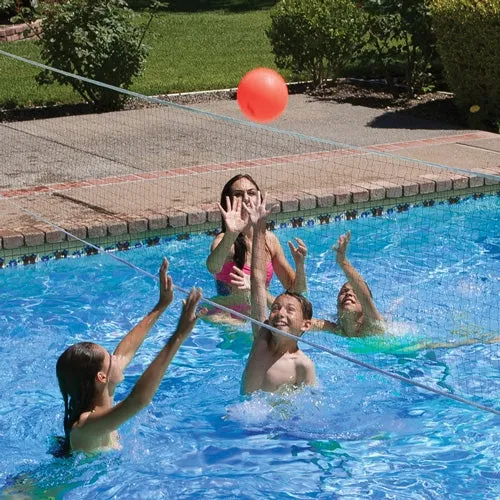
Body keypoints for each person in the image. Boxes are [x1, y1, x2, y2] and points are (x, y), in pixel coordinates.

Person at [55, 258, 202, 455]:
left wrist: (162, 305)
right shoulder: (86, 426)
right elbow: (138, 400)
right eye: (110, 357)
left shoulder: (102, 397)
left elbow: (126, 351)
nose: (116, 357)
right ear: (101, 378)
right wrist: (178, 336)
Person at [205, 174, 307, 322]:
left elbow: (295, 290)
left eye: (251, 193)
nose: (246, 198)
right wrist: (231, 235)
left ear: (259, 199)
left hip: (260, 314)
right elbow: (213, 266)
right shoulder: (225, 241)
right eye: (238, 195)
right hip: (228, 320)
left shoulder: (269, 240)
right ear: (229, 203)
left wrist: (300, 265)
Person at [241, 192, 315, 394]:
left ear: (305, 324)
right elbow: (257, 278)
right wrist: (259, 228)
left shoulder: (303, 365)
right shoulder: (261, 338)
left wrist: (300, 267)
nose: (280, 313)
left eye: (290, 310)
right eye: (275, 307)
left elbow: (311, 408)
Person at [312, 231, 385, 337]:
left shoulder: (373, 325)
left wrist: (343, 262)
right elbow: (303, 322)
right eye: (344, 291)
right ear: (337, 303)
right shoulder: (336, 329)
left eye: (355, 292)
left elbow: (365, 297)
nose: (349, 294)